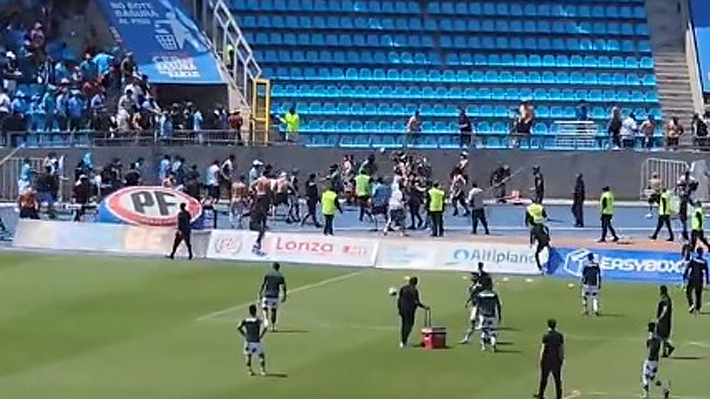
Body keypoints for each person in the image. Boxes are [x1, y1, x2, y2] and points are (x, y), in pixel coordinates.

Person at [535, 319, 564, 399]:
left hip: (547, 359)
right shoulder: (559, 336)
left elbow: (543, 348)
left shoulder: (546, 336)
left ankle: (541, 394)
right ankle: (559, 396)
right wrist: (561, 358)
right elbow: (561, 349)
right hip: (556, 359)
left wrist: (540, 359)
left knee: (544, 378)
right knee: (557, 379)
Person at [396, 276, 429, 347]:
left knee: (404, 325)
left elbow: (399, 300)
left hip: (403, 309)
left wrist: (399, 309)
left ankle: (403, 341)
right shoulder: (414, 291)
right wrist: (424, 307)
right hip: (410, 310)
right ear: (416, 283)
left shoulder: (403, 288)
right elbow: (416, 302)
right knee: (409, 325)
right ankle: (404, 340)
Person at [641, 322, 670, 399]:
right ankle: (664, 388)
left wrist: (650, 338)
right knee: (652, 379)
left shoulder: (653, 338)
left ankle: (646, 394)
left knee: (645, 377)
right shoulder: (657, 338)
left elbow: (649, 345)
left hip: (651, 361)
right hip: (654, 362)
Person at [237, 304, 267, 376]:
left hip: (248, 341)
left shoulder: (245, 320)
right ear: (255, 311)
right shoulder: (258, 321)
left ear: (249, 312)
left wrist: (245, 335)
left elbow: (238, 327)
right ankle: (262, 370)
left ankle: (250, 370)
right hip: (256, 341)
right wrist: (261, 335)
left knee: (248, 356)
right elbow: (265, 327)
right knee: (261, 355)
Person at [472, 279, 501, 351]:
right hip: (492, 315)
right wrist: (499, 315)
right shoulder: (494, 294)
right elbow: (498, 305)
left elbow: (478, 306)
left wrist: (476, 315)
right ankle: (493, 344)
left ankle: (483, 346)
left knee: (484, 331)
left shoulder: (480, 295)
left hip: (483, 315)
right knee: (492, 332)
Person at [259, 262, 287, 331]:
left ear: (272, 267)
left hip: (267, 294)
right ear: (278, 268)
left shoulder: (268, 274)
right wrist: (284, 295)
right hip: (275, 295)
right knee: (273, 310)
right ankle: (273, 326)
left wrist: (260, 293)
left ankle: (266, 320)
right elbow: (284, 287)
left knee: (264, 308)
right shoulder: (280, 276)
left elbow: (263, 284)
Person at [250, 171, 272, 255]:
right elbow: (268, 191)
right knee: (263, 212)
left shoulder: (259, 180)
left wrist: (253, 191)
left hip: (259, 195)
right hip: (264, 196)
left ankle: (262, 224)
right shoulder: (267, 181)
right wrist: (270, 200)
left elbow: (251, 185)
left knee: (259, 211)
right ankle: (264, 224)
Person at [684, 247, 709, 314]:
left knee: (688, 292)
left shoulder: (693, 260)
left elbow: (687, 268)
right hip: (699, 280)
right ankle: (698, 308)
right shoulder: (704, 261)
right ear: (702, 253)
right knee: (698, 295)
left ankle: (691, 304)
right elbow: (706, 271)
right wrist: (707, 280)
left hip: (692, 278)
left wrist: (685, 276)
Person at [655, 285, 675, 358]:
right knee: (663, 336)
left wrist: (660, 317)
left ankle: (668, 347)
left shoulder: (665, 299)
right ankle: (665, 351)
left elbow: (665, 309)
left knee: (660, 335)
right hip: (666, 320)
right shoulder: (666, 298)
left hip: (664, 320)